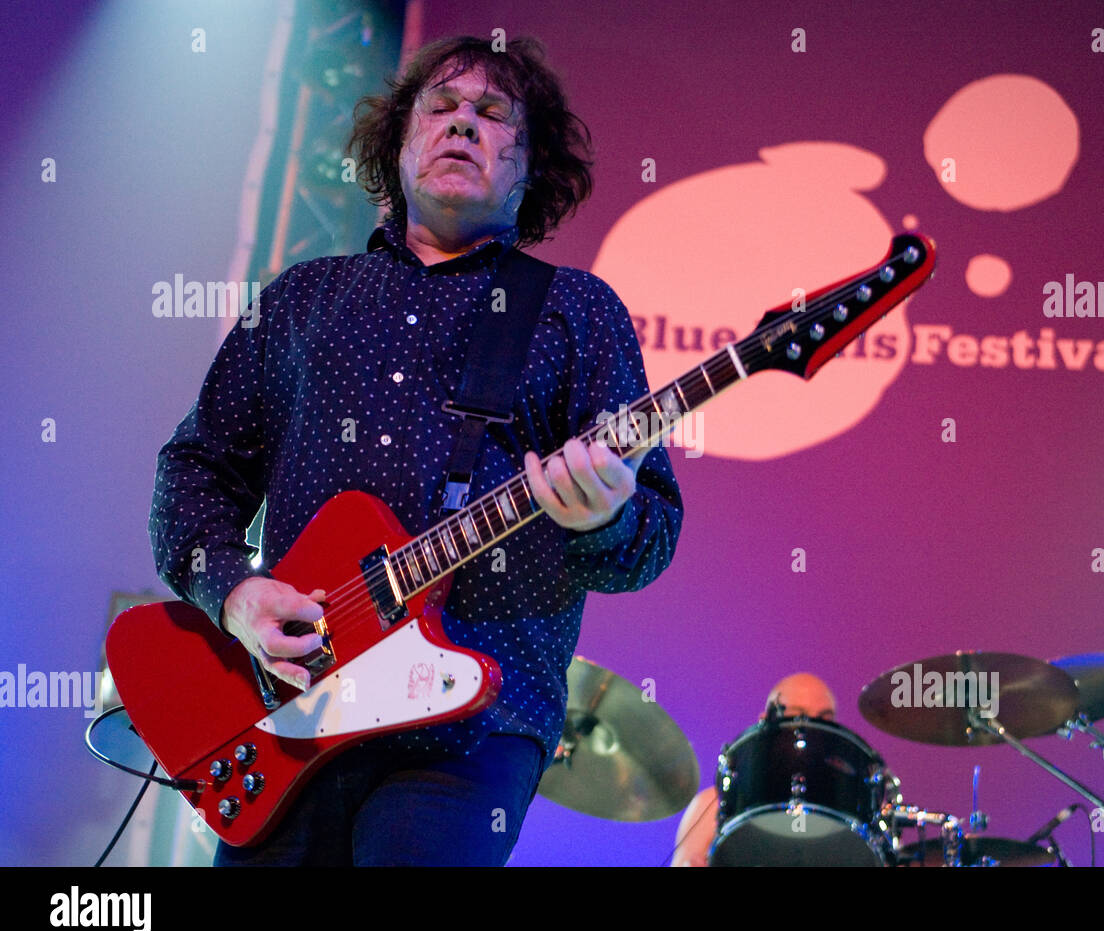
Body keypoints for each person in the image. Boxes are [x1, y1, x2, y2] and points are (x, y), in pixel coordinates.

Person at [148, 35, 683, 866]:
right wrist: (235, 593)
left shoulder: (576, 311)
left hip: (471, 728)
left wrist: (604, 518)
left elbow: (648, 539)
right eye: (440, 107)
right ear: (398, 145)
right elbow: (195, 470)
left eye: (492, 113)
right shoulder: (302, 298)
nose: (462, 123)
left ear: (529, 164)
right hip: (292, 710)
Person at [671, 673, 837, 867]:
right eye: (797, 716)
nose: (812, 729)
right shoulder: (712, 805)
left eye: (824, 719)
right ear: (765, 722)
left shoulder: (852, 818)